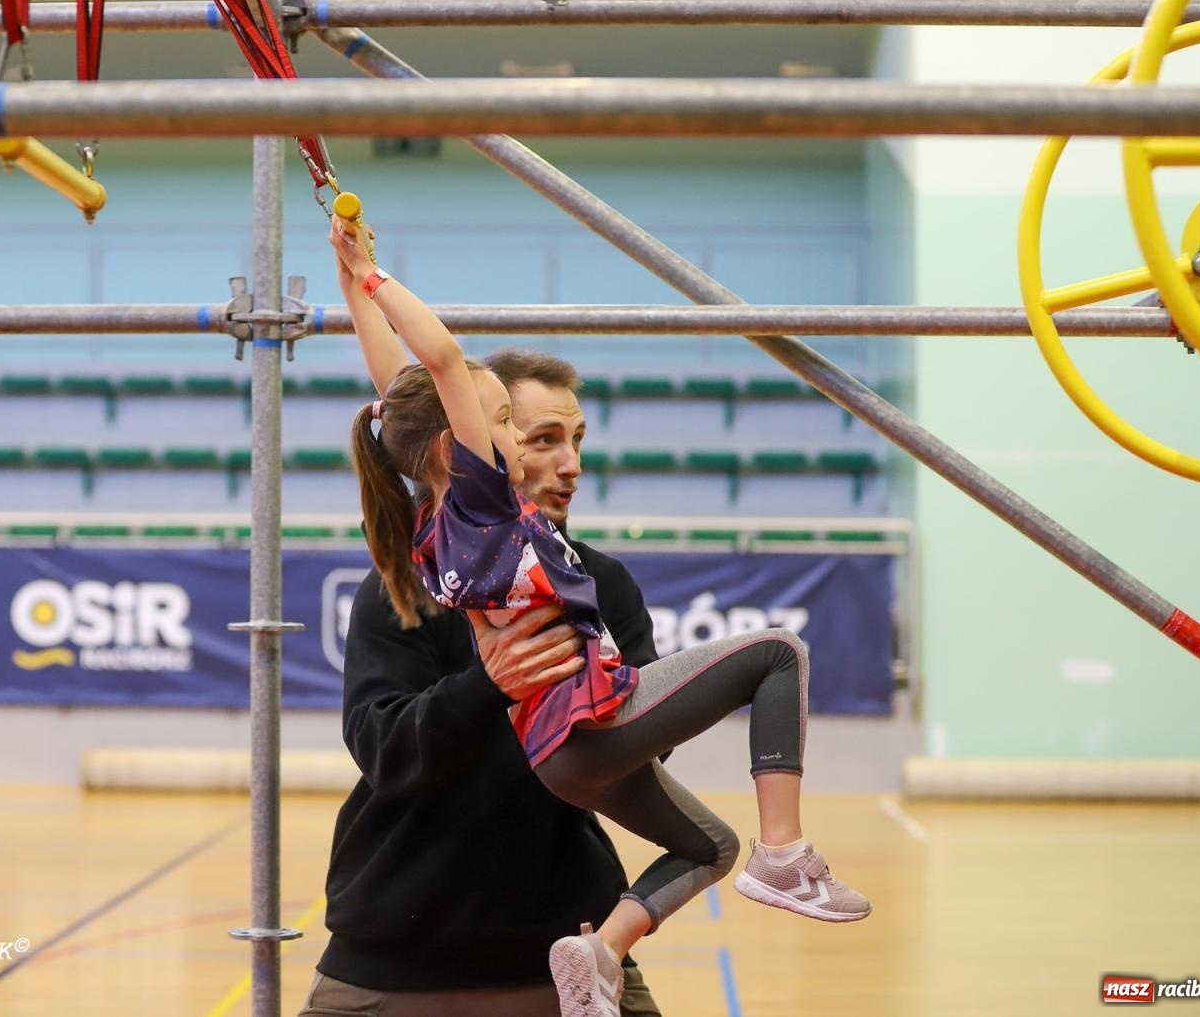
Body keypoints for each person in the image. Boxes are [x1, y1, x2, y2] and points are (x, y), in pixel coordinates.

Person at [330, 216, 871, 1017]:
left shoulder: (431, 523)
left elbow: (400, 395)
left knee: (710, 845)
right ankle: (784, 853)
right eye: (517, 429)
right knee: (779, 654)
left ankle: (599, 951)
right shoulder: (486, 505)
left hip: (562, 761)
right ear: (466, 447)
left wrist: (352, 282)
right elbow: (437, 364)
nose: (544, 452)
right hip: (585, 725)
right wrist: (376, 279)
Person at [299, 360, 664, 1013]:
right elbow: (385, 750)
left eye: (577, 440)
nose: (571, 463)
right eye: (542, 438)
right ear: (471, 447)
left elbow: (643, 759)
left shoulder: (604, 588)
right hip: (392, 962)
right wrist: (486, 685)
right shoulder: (403, 590)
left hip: (566, 953)